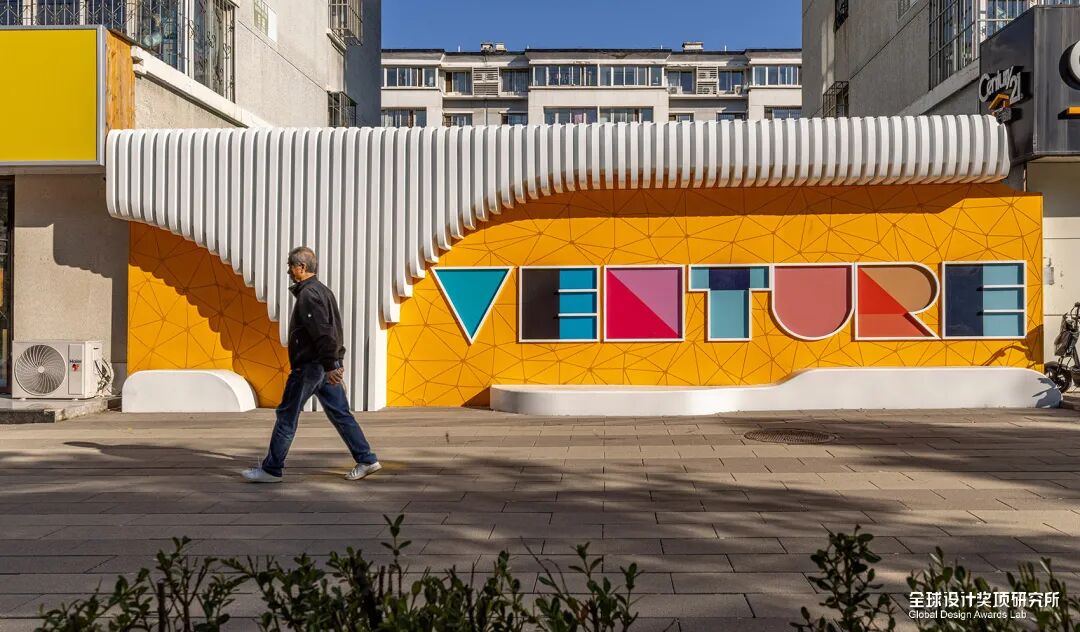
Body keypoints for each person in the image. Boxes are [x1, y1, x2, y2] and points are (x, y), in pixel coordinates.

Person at [241, 247, 381, 483]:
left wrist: (331, 364)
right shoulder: (323, 291)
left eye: (290, 266)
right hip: (324, 366)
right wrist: (336, 361)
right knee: (340, 413)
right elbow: (335, 330)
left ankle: (271, 469)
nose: (288, 271)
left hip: (310, 367)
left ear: (302, 267)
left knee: (287, 414)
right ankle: (366, 459)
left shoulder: (308, 294)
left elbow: (323, 332)